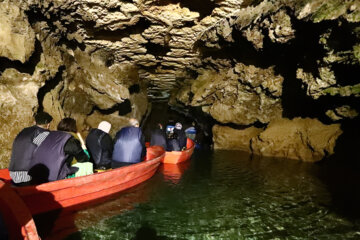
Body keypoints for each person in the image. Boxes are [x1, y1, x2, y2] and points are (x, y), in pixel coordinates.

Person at [29, 118, 91, 183]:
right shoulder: (69, 139)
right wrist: (81, 140)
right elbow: (84, 159)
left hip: (34, 176)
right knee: (87, 165)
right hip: (54, 178)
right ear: (74, 127)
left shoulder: (49, 135)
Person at [9, 111, 52, 186]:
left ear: (35, 122)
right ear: (48, 124)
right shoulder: (45, 133)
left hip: (13, 171)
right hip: (27, 174)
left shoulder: (24, 131)